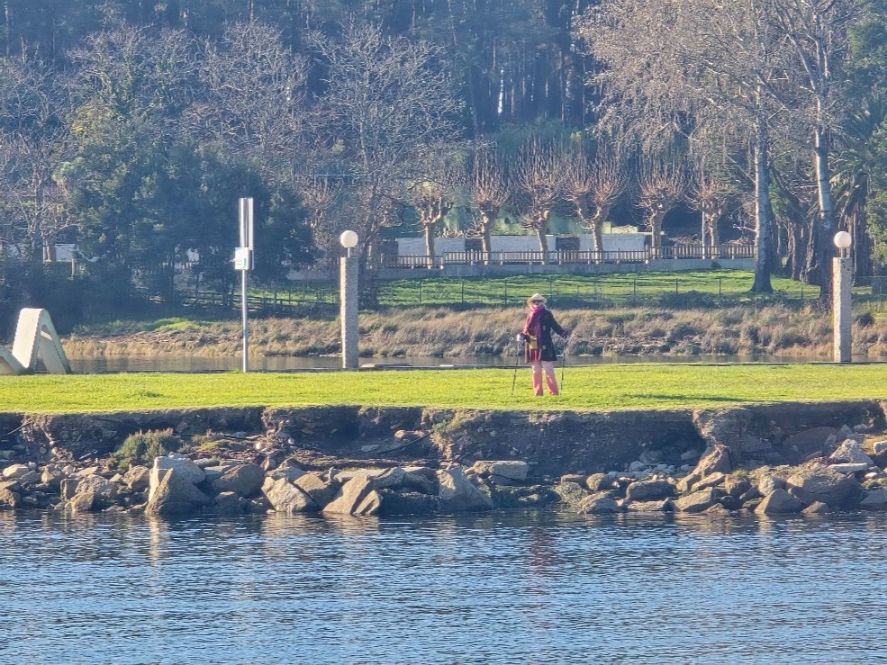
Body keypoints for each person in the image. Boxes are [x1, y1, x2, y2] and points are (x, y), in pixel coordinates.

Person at [517, 293, 569, 396]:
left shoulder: (547, 313)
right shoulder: (530, 314)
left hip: (545, 342)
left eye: (539, 301)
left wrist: (564, 334)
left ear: (542, 302)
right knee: (536, 371)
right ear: (532, 303)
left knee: (548, 370)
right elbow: (526, 330)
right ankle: (538, 394)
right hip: (532, 342)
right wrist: (521, 336)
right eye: (534, 301)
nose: (537, 303)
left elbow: (554, 325)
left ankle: (554, 393)